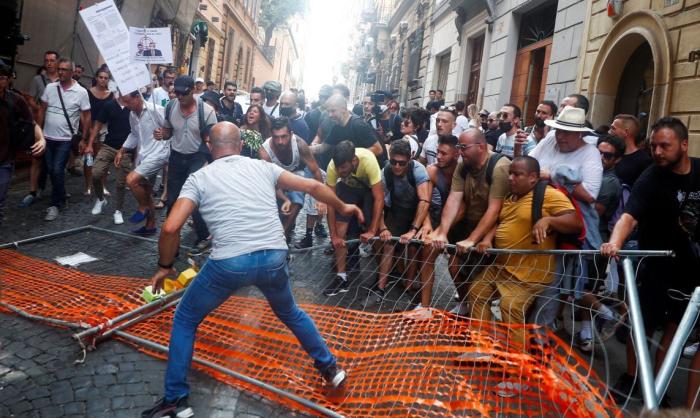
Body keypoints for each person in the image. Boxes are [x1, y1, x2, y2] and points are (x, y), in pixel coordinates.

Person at [141, 122, 358, 418]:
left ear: (209, 146)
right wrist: (343, 207)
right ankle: (330, 368)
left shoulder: (199, 177)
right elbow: (314, 186)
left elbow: (170, 227)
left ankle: (174, 401)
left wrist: (165, 267)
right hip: (273, 257)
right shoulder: (262, 167)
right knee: (291, 313)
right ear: (241, 145)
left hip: (230, 263)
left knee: (186, 318)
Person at [601, 117, 700, 408]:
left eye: (664, 146)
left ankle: (658, 385)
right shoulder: (651, 176)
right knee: (641, 325)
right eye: (654, 145)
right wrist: (614, 243)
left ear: (684, 144)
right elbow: (628, 217)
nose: (657, 152)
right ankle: (633, 378)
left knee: (674, 329)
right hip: (655, 263)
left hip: (690, 268)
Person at [469, 156, 582, 350]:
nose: (510, 178)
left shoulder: (549, 195)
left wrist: (549, 221)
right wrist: (487, 239)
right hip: (502, 266)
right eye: (510, 173)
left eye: (517, 174)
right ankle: (482, 348)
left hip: (528, 273)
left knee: (510, 307)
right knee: (476, 293)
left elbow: (576, 223)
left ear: (532, 177)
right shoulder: (511, 196)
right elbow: (502, 222)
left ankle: (517, 370)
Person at [528, 105, 603, 328]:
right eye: (558, 130)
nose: (560, 136)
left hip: (564, 226)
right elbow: (528, 164)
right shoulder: (550, 139)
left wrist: (555, 176)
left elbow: (590, 195)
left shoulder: (590, 153)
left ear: (580, 133)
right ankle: (521, 332)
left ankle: (540, 337)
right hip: (532, 217)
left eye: (566, 132)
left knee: (552, 283)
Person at [429, 129, 511, 314]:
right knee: (455, 266)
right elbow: (454, 199)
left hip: (494, 230)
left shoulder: (499, 167)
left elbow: (495, 209)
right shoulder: (463, 165)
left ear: (480, 147)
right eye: (459, 147)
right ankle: (465, 304)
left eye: (463, 147)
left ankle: (481, 315)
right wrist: (442, 231)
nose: (460, 151)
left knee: (482, 281)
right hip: (470, 224)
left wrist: (473, 239)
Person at [577, 134, 626, 352]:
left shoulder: (609, 182)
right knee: (582, 288)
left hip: (595, 241)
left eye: (608, 155)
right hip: (586, 239)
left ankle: (609, 314)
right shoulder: (594, 173)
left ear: (617, 159)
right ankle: (586, 334)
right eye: (599, 152)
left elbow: (594, 211)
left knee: (579, 288)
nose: (602, 157)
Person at [158, 75, 217, 246]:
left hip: (197, 157)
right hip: (176, 156)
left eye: (183, 93)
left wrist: (208, 163)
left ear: (192, 91)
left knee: (194, 198)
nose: (179, 97)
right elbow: (168, 132)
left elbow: (211, 142)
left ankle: (203, 236)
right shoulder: (170, 107)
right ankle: (170, 236)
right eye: (176, 92)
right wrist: (161, 135)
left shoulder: (206, 111)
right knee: (173, 199)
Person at [372, 139, 430, 303]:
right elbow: (379, 200)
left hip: (417, 209)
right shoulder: (386, 170)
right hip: (397, 208)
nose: (397, 166)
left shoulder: (419, 170)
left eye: (401, 163)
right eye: (394, 162)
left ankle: (408, 287)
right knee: (388, 244)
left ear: (409, 159)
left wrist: (413, 229)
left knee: (412, 247)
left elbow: (424, 200)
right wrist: (383, 227)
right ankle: (380, 288)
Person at [323, 141, 384, 297]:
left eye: (343, 167)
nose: (339, 171)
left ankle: (382, 276)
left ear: (354, 161)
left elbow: (379, 197)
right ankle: (341, 277)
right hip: (349, 189)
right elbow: (330, 202)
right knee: (339, 227)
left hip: (368, 191)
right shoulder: (333, 167)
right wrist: (334, 236)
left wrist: (371, 230)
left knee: (376, 230)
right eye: (338, 168)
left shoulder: (368, 160)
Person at [38, 57, 91, 221]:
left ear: (71, 72)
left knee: (56, 169)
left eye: (64, 70)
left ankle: (55, 204)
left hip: (65, 139)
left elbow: (86, 116)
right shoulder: (50, 87)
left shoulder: (81, 92)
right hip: (47, 137)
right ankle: (61, 193)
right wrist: (38, 131)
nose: (60, 72)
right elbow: (42, 110)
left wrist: (84, 138)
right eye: (59, 69)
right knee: (50, 169)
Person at [259, 117, 324, 242]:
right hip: (275, 180)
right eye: (276, 137)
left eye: (284, 137)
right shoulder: (265, 151)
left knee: (296, 199)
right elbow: (267, 183)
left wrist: (321, 200)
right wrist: (283, 198)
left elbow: (315, 171)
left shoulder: (299, 144)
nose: (280, 141)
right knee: (276, 208)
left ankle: (282, 236)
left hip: (296, 175)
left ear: (291, 134)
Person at [115, 91, 170, 234]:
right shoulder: (132, 114)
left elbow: (171, 130)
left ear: (137, 97)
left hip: (159, 153)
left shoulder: (156, 110)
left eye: (128, 102)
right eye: (124, 102)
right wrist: (121, 150)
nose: (126, 106)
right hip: (143, 155)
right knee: (146, 190)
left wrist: (164, 133)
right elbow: (134, 134)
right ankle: (150, 225)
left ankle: (143, 207)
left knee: (131, 180)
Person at [417, 134, 460, 309]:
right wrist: (427, 224)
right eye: (437, 152)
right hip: (441, 216)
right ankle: (424, 306)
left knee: (455, 265)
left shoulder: (462, 170)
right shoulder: (432, 171)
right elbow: (424, 200)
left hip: (461, 219)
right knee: (427, 255)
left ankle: (465, 304)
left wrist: (443, 231)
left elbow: (462, 206)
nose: (439, 157)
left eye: (444, 153)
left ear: (456, 154)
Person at [0, 64, 45, 226]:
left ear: (9, 80)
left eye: (2, 77)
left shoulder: (15, 100)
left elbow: (31, 123)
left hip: (4, 159)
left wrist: (41, 139)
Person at [86, 91, 133, 224]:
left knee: (120, 183)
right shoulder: (109, 105)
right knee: (95, 173)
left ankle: (118, 210)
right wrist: (90, 144)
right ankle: (101, 199)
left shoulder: (133, 107)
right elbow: (98, 125)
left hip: (126, 150)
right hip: (108, 146)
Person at [21, 50, 60, 207]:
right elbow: (30, 98)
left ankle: (56, 190)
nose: (49, 63)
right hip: (40, 125)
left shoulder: (63, 79)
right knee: (36, 158)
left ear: (57, 62)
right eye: (46, 60)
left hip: (57, 126)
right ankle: (32, 191)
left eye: (52, 60)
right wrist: (39, 109)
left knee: (55, 162)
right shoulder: (38, 79)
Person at [81, 67, 115, 196]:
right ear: (96, 78)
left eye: (105, 78)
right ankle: (88, 185)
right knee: (89, 157)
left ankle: (103, 185)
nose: (103, 80)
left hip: (105, 129)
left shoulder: (111, 95)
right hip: (90, 127)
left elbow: (112, 113)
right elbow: (84, 112)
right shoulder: (88, 93)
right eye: (101, 77)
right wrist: (87, 128)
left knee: (103, 158)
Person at [609, 114, 652, 187]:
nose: (609, 132)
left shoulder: (644, 161)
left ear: (626, 132)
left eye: (613, 128)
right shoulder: (611, 154)